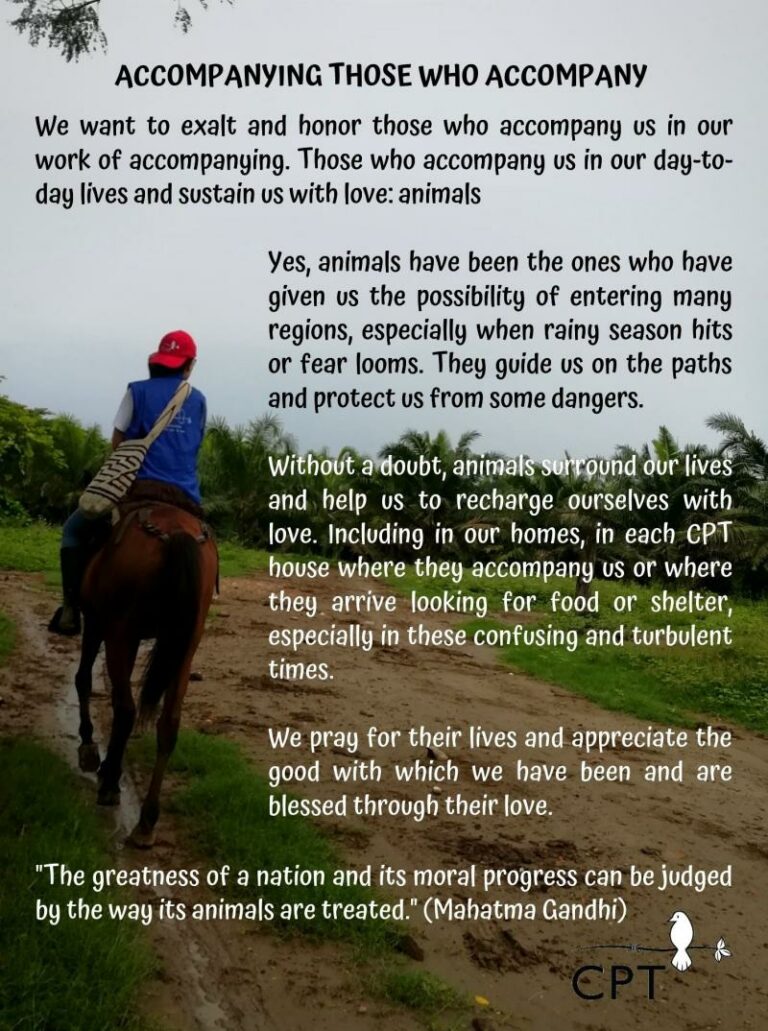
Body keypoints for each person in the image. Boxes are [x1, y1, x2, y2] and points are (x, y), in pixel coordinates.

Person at [49, 329, 207, 636]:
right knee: (201, 543)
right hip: (185, 496)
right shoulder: (198, 400)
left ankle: (70, 610)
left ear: (159, 361)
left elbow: (118, 439)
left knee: (73, 531)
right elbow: (194, 445)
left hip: (138, 488)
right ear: (190, 365)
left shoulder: (137, 391)